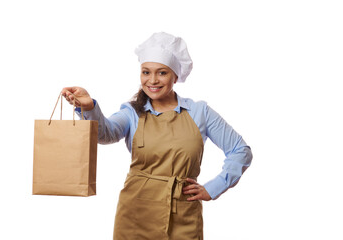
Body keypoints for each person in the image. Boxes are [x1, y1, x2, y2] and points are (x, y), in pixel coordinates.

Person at [61, 32, 252, 240]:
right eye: (146, 72)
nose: (152, 80)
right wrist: (88, 107)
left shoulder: (200, 112)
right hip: (135, 214)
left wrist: (213, 188)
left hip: (184, 215)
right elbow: (106, 133)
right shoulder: (132, 112)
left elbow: (240, 150)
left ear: (175, 76)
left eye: (162, 73)